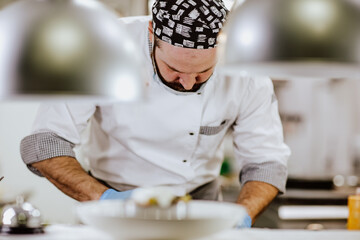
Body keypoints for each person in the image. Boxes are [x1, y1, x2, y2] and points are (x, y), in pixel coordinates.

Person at [20, 0, 290, 227]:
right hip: (111, 200)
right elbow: (47, 143)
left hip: (199, 208)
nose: (187, 83)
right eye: (175, 70)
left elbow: (266, 162)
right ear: (152, 33)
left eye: (202, 73)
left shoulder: (246, 68)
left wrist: (240, 215)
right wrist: (106, 200)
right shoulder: (102, 47)